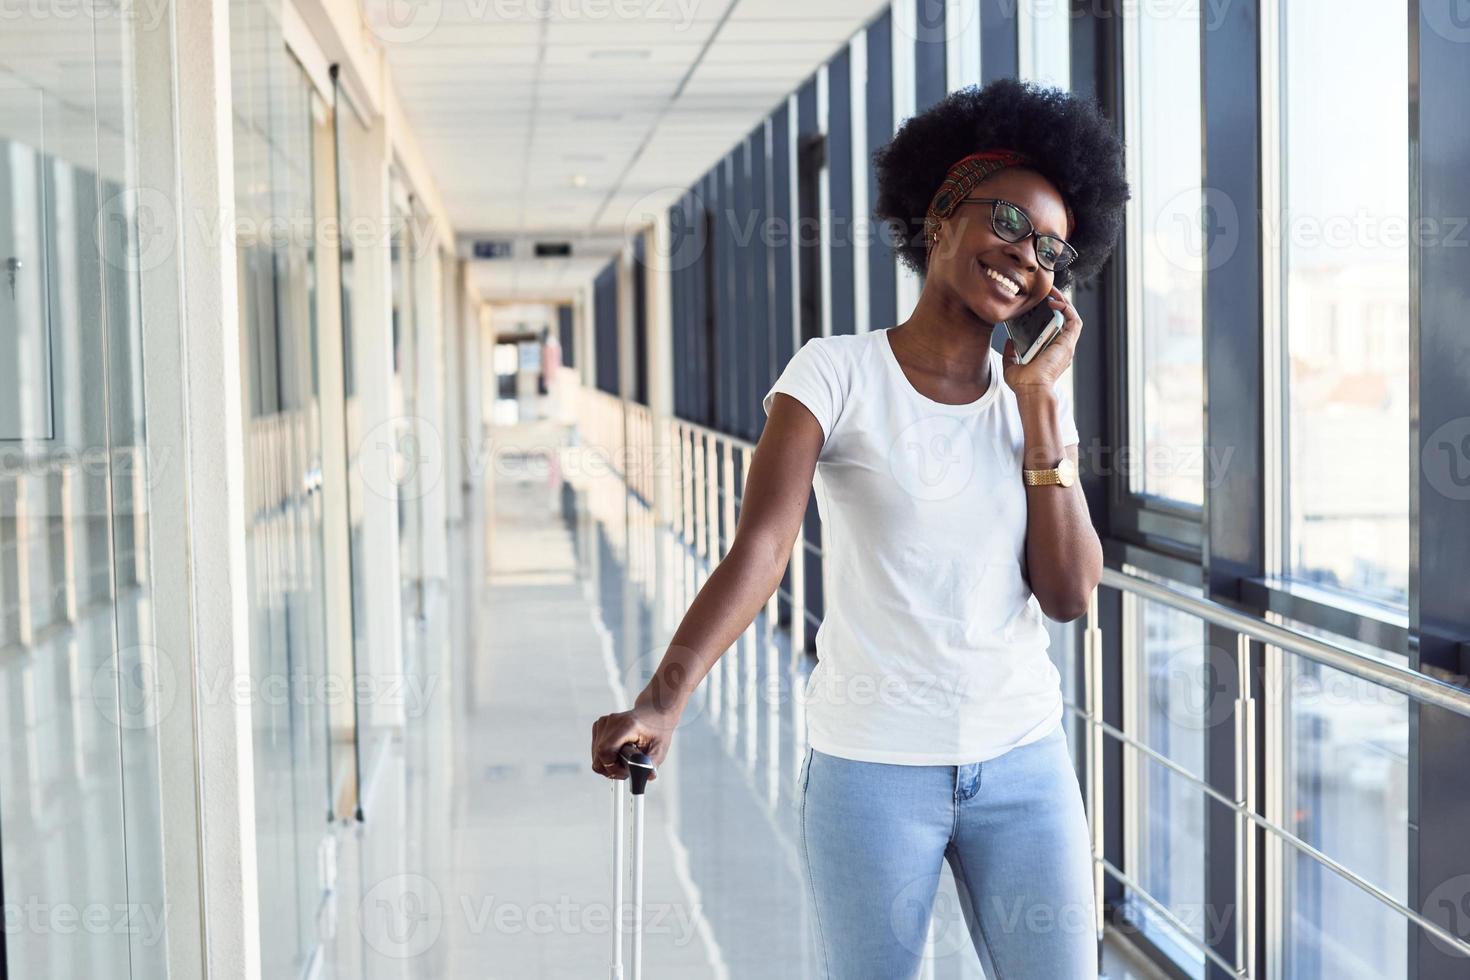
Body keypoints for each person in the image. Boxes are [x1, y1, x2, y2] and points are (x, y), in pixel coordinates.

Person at [591, 77, 1130, 979]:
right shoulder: (834, 373)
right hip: (873, 769)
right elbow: (761, 553)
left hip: (1024, 760)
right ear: (942, 213)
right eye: (1008, 222)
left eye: (1051, 252)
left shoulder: (1034, 404)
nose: (1027, 259)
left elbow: (1071, 594)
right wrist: (663, 699)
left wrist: (1038, 403)